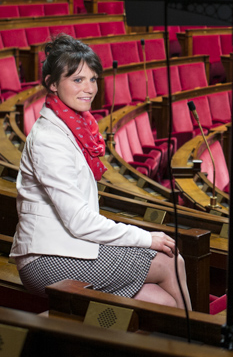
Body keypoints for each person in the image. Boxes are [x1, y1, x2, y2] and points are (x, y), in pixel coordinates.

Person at [11, 34, 191, 307]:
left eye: (92, 79)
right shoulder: (49, 138)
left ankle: (174, 344)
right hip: (46, 259)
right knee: (170, 261)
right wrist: (144, 238)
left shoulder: (75, 125)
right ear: (53, 84)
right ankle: (199, 345)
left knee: (161, 302)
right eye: (77, 80)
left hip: (69, 246)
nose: (89, 89)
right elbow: (79, 221)